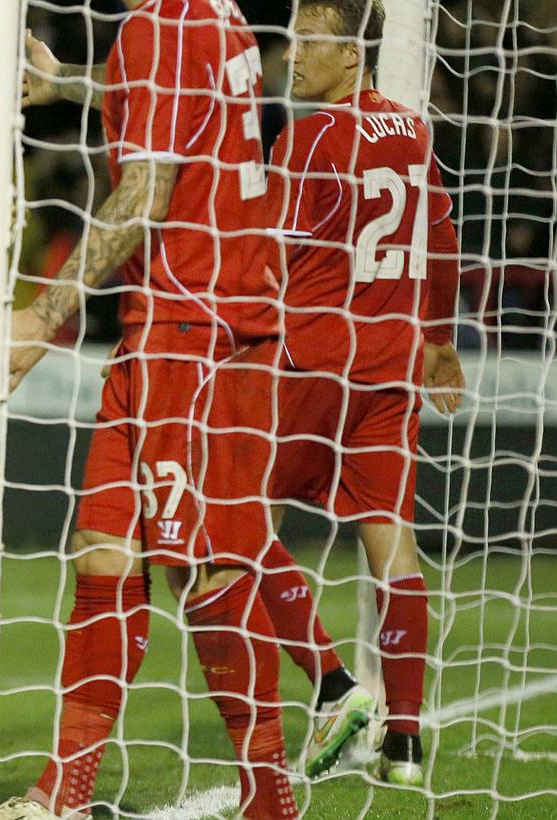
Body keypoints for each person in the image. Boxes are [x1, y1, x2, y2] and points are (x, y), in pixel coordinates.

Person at [0, 3, 298, 818]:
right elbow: (168, 99)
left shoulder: (160, 25)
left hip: (192, 330)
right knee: (104, 552)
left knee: (203, 572)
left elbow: (146, 189)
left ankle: (270, 798)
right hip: (171, 325)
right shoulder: (215, 15)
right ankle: (65, 790)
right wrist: (64, 84)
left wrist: (44, 317)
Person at [262, 0, 464, 785]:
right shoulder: (414, 131)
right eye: (293, 41)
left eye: (310, 43)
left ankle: (335, 684)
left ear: (352, 56)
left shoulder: (307, 137)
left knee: (233, 523)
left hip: (312, 361)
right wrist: (439, 343)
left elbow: (272, 259)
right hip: (391, 366)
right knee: (394, 543)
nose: (294, 56)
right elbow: (443, 235)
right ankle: (406, 741)